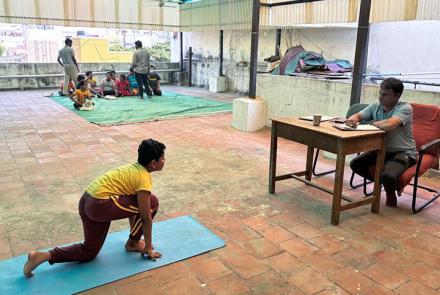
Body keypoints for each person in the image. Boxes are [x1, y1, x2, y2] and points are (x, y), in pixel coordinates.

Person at [23, 139, 165, 278]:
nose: (165, 161)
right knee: (152, 202)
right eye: (163, 158)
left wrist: (134, 233)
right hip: (100, 205)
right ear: (153, 163)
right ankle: (133, 243)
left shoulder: (131, 169)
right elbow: (146, 217)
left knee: (89, 251)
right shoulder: (143, 178)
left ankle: (42, 256)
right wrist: (147, 246)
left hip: (86, 201)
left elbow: (133, 208)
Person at [347, 78, 417, 207]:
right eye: (380, 93)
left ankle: (390, 192)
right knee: (355, 164)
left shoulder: (405, 108)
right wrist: (352, 120)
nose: (380, 97)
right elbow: (358, 115)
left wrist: (371, 123)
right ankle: (385, 185)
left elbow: (390, 124)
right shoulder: (376, 106)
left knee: (389, 175)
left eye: (384, 94)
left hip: (404, 152)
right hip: (381, 149)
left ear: (397, 96)